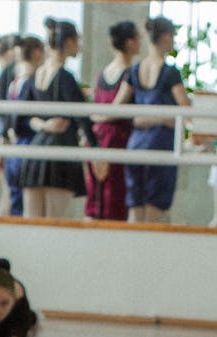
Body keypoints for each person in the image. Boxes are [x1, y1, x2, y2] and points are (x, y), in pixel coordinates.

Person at [112, 17, 190, 224]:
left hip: (136, 144)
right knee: (155, 210)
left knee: (136, 209)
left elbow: (116, 107)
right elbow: (185, 110)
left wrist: (139, 118)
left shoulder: (135, 70)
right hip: (160, 144)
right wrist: (163, 119)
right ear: (166, 36)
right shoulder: (170, 72)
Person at [18, 17, 95, 220]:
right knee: (55, 224)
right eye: (77, 40)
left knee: (32, 223)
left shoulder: (36, 76)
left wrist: (43, 125)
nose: (79, 46)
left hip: (36, 154)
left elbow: (21, 118)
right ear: (69, 42)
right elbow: (83, 118)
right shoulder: (64, 77)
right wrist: (97, 153)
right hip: (60, 155)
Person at [84, 20, 140, 222]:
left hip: (97, 138)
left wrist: (93, 117)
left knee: (96, 197)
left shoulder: (103, 73)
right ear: (130, 42)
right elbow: (117, 109)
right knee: (114, 198)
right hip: (118, 139)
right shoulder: (130, 74)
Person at [0, 35, 44, 217]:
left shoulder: (15, 83)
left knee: (11, 203)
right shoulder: (30, 82)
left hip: (13, 148)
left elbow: (7, 120)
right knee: (19, 207)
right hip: (24, 148)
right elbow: (21, 119)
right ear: (37, 53)